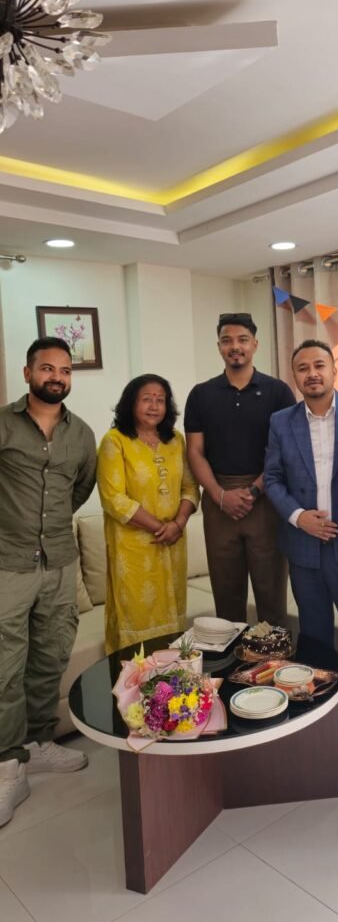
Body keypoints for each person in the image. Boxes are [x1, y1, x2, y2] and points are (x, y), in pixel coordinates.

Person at [264, 340, 338, 766]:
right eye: (303, 368)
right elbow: (273, 478)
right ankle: (318, 713)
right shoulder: (281, 421)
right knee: (314, 639)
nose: (312, 373)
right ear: (294, 376)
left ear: (334, 370)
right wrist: (299, 517)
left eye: (319, 365)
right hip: (304, 548)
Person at [0, 337, 97, 828]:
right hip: (8, 564)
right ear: (28, 373)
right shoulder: (3, 423)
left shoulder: (81, 433)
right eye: (47, 368)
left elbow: (81, 487)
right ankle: (7, 765)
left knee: (51, 656)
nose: (56, 377)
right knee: (5, 665)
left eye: (64, 370)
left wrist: (51, 525)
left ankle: (38, 742)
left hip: (59, 561)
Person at [185, 313, 295, 625]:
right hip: (218, 498)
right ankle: (232, 657)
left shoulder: (278, 392)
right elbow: (194, 452)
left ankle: (274, 657)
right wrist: (219, 495)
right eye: (227, 340)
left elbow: (284, 451)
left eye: (242, 339)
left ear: (255, 344)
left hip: (266, 498)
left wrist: (254, 491)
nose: (235, 346)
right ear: (219, 346)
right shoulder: (201, 394)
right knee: (226, 596)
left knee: (271, 595)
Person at [97, 374, 199, 655]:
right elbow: (113, 499)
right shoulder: (114, 441)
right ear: (131, 403)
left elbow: (191, 487)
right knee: (136, 623)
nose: (154, 406)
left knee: (172, 619)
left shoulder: (176, 441)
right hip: (133, 552)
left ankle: (171, 680)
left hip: (173, 548)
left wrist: (178, 524)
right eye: (146, 399)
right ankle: (135, 681)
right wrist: (160, 527)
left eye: (160, 400)